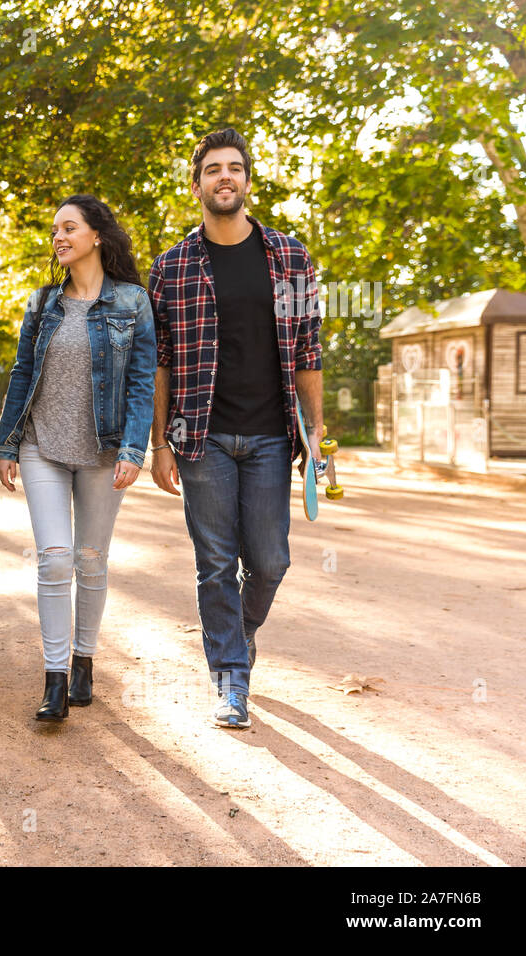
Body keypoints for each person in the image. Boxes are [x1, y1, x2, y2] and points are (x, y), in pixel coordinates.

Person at [147, 128, 323, 729]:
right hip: (202, 436)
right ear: (196, 184)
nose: (226, 177)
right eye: (213, 169)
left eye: (236, 168)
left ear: (247, 180)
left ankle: (239, 635)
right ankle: (230, 679)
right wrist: (158, 442)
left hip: (274, 434)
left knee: (270, 561)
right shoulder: (171, 266)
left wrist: (316, 432)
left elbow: (308, 352)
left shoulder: (290, 257)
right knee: (216, 563)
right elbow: (160, 360)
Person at [0, 195, 155, 721]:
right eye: (55, 229)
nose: (60, 237)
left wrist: (135, 447)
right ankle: (55, 678)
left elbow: (140, 380)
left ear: (97, 236)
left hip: (104, 450)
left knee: (91, 560)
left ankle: (84, 660)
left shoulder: (132, 302)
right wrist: (7, 443)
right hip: (44, 444)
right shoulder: (42, 304)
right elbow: (21, 374)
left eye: (70, 227)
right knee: (56, 558)